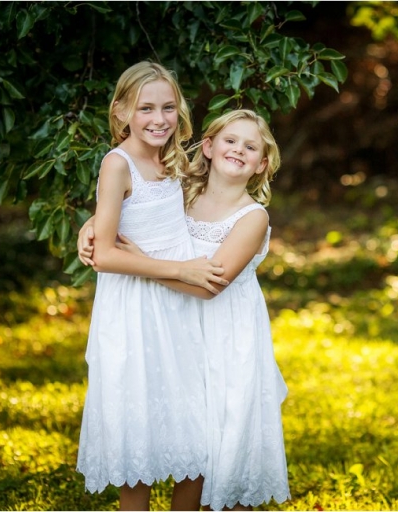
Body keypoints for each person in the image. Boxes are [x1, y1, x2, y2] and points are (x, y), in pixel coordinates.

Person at [78, 109, 291, 511]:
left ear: (262, 164)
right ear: (208, 147)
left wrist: (142, 264)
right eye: (230, 140)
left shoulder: (253, 218)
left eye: (250, 147)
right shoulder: (182, 189)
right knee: (187, 435)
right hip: (177, 328)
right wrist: (91, 226)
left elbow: (209, 284)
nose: (238, 150)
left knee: (218, 445)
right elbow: (133, 205)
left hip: (228, 338)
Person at [75, 61, 230, 511]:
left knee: (197, 434)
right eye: (145, 108)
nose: (158, 119)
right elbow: (104, 255)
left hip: (181, 310)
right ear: (121, 111)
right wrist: (178, 270)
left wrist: (95, 221)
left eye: (167, 107)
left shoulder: (177, 157)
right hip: (137, 310)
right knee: (138, 437)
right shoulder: (117, 164)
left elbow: (158, 217)